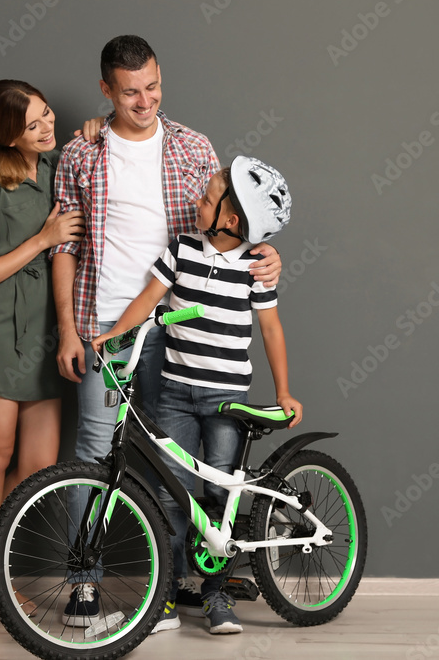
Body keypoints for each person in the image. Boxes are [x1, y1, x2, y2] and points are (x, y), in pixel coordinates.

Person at [51, 35, 284, 626]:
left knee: (171, 462)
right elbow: (64, 248)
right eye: (130, 92)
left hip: (184, 326)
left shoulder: (194, 147)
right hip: (109, 322)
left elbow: (236, 219)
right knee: (94, 451)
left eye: (152, 87)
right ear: (106, 90)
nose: (145, 100)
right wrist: (67, 331)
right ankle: (84, 583)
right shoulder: (81, 154)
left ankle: (185, 582)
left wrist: (269, 258)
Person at [92, 156, 303, 635]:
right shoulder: (182, 249)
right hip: (175, 394)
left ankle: (217, 596)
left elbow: (270, 328)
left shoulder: (255, 267)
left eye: (207, 198)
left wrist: (285, 390)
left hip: (227, 400)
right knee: (171, 497)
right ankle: (164, 599)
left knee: (219, 495)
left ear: (230, 218)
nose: (197, 201)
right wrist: (115, 338)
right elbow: (148, 298)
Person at [0, 80, 85, 612]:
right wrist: (40, 242)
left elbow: (92, 149)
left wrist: (95, 128)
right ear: (9, 136)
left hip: (46, 336)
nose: (47, 126)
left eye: (47, 114)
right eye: (33, 124)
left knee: (37, 469)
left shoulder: (59, 169)